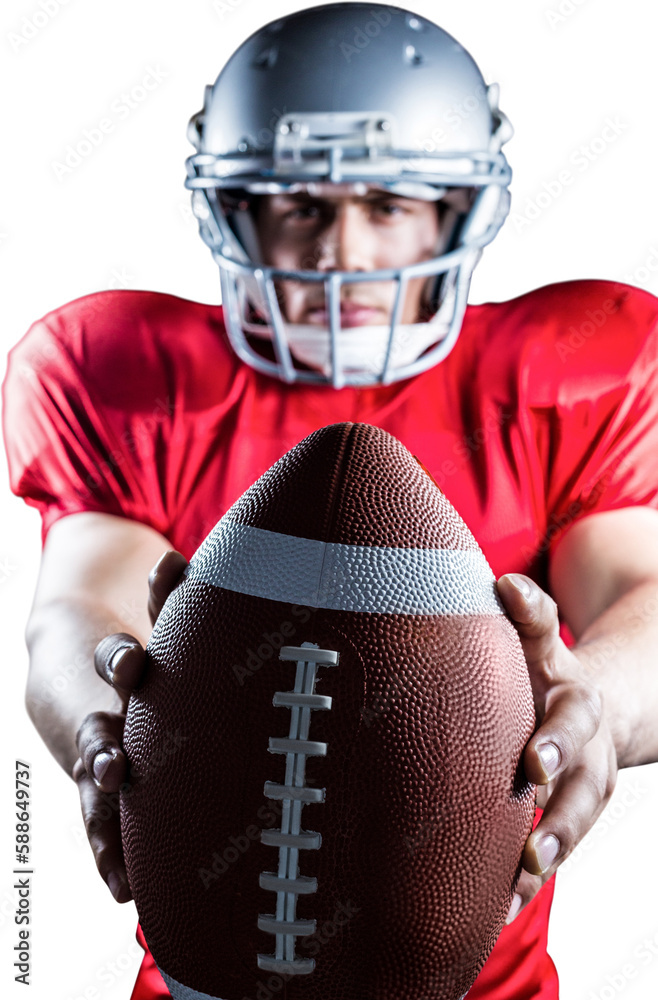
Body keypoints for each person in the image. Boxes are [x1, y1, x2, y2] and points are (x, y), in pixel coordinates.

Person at [4, 3, 658, 998]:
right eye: (299, 203)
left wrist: (590, 708)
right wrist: (108, 730)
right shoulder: (125, 369)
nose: (340, 252)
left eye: (389, 202)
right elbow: (75, 609)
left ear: (458, 210)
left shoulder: (564, 369)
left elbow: (641, 596)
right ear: (234, 211)